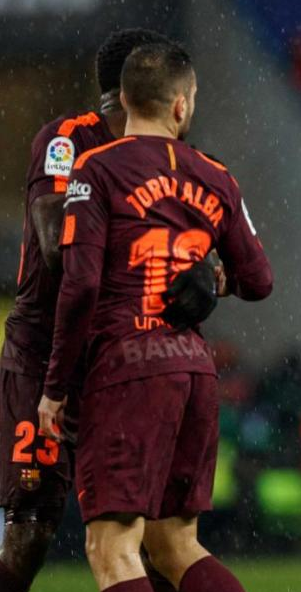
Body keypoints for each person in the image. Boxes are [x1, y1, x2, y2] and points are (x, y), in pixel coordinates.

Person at [37, 42, 272, 592]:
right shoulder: (216, 175)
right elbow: (258, 280)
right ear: (181, 106)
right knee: (175, 544)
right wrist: (216, 278)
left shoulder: (95, 169)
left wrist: (55, 386)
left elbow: (81, 285)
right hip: (193, 371)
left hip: (125, 369)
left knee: (111, 548)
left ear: (123, 99)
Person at [0, 28, 214, 592]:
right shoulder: (68, 141)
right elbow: (54, 246)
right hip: (44, 353)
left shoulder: (178, 161)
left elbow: (222, 263)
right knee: (33, 525)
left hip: (124, 361)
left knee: (155, 532)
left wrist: (204, 276)